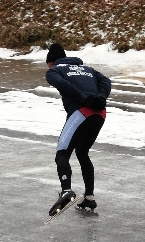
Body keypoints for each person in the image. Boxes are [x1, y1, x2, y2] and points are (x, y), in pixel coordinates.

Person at [45, 43, 111, 216]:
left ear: (50, 62)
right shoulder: (87, 69)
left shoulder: (54, 70)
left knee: (62, 153)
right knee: (82, 152)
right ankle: (89, 196)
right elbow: (106, 81)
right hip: (100, 113)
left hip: (81, 112)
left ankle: (66, 190)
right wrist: (101, 97)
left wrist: (84, 99)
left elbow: (62, 84)